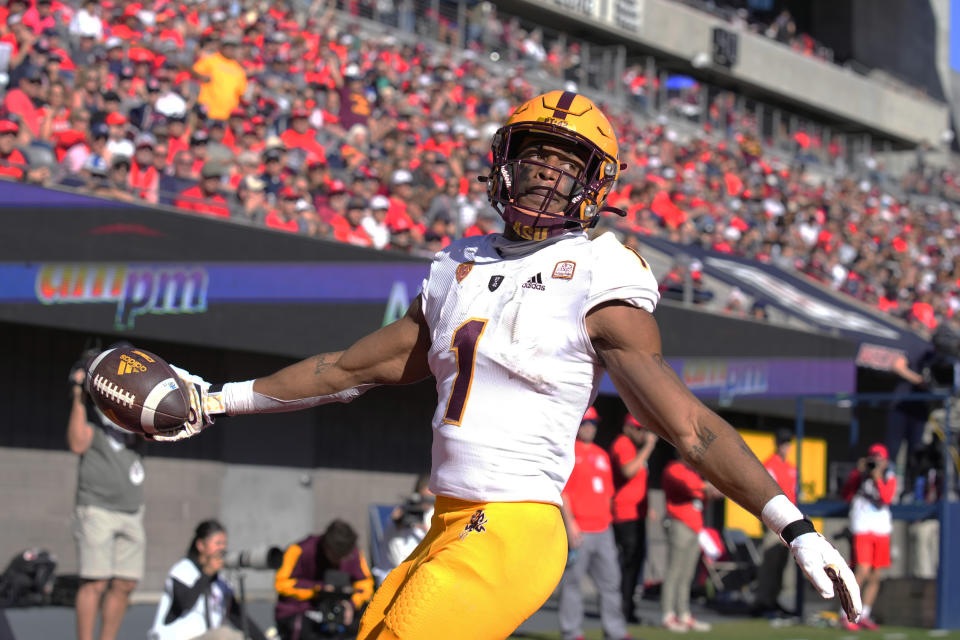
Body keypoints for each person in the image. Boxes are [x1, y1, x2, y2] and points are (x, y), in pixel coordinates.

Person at [142, 91, 862, 639]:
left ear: (595, 183)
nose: (547, 176)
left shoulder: (598, 268)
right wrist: (216, 400)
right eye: (537, 158)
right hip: (447, 522)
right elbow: (344, 370)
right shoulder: (460, 262)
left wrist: (793, 526)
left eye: (566, 164)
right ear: (505, 162)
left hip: (514, 526)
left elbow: (691, 429)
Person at [68, 350, 145, 640]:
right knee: (95, 582)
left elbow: (152, 432)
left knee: (125, 582)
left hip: (132, 508)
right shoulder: (90, 412)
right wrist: (78, 392)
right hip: (96, 506)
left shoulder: (131, 411)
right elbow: (77, 443)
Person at [558, 407, 630, 640]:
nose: (590, 427)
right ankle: (571, 632)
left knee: (611, 582)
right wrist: (570, 525)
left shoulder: (602, 454)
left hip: (603, 528)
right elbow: (563, 493)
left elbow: (608, 493)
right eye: (586, 423)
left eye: (593, 424)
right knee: (572, 584)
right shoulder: (568, 453)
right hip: (580, 529)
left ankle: (615, 631)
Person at [149, 520, 266, 640]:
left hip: (209, 636)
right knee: (224, 635)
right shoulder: (183, 570)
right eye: (217, 543)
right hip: (176, 636)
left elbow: (238, 617)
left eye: (224, 544)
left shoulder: (221, 581)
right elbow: (184, 603)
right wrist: (206, 573)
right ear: (200, 545)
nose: (222, 548)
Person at [274, 520, 375, 640]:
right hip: (305, 609)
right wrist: (319, 589)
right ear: (326, 546)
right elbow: (281, 583)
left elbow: (365, 583)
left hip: (340, 607)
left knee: (368, 618)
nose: (339, 560)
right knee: (301, 627)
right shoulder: (299, 550)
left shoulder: (353, 553)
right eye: (336, 555)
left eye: (343, 556)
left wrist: (351, 604)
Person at [660, 451, 720, 632]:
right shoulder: (674, 469)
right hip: (679, 525)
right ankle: (668, 614)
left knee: (687, 575)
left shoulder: (693, 472)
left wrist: (710, 490)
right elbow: (688, 486)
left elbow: (706, 494)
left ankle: (683, 613)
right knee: (674, 572)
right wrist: (707, 487)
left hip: (695, 528)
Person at [839, 443, 897, 631]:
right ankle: (847, 613)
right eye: (874, 458)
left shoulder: (889, 476)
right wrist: (859, 472)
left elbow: (886, 498)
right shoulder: (860, 475)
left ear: (885, 461)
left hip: (881, 529)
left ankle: (865, 614)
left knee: (875, 575)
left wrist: (877, 477)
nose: (876, 462)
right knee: (861, 571)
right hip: (863, 527)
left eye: (880, 459)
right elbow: (846, 494)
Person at [610, 414, 657, 623]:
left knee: (635, 564)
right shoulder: (623, 443)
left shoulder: (634, 447)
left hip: (637, 514)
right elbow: (628, 471)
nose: (643, 434)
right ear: (628, 427)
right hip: (625, 514)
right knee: (628, 564)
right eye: (638, 429)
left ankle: (627, 608)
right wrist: (648, 448)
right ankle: (622, 610)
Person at [752, 428, 798, 617]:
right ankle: (762, 601)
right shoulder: (769, 465)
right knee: (770, 561)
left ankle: (773, 600)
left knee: (781, 562)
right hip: (774, 519)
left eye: (787, 443)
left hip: (790, 519)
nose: (785, 447)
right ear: (777, 443)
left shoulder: (792, 467)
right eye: (782, 442)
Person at [382, 474, 434, 571]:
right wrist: (397, 522)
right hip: (394, 570)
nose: (426, 503)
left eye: (430, 499)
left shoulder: (434, 515)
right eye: (424, 498)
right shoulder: (402, 512)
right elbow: (391, 549)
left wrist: (427, 531)